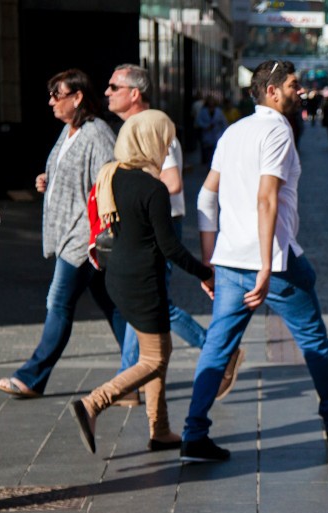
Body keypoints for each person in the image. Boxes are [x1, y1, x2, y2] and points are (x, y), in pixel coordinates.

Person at [183, 60, 328, 463]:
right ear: (272, 90)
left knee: (218, 347)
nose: (300, 91)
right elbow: (266, 197)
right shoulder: (277, 130)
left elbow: (205, 198)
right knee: (313, 340)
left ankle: (194, 433)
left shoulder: (233, 132)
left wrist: (210, 261)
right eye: (293, 85)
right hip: (275, 262)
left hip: (231, 261)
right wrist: (267, 265)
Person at [69, 110, 213, 454]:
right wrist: (205, 273)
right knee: (154, 359)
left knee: (157, 351)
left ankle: (160, 429)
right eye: (165, 140)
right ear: (150, 141)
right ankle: (93, 404)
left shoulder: (112, 174)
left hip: (116, 276)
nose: (168, 148)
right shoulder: (153, 189)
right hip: (144, 280)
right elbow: (170, 248)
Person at [104, 64, 244, 406]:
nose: (106, 92)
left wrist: (136, 195)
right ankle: (131, 384)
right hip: (140, 229)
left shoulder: (155, 129)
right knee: (136, 308)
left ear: (134, 93)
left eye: (113, 86)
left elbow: (174, 182)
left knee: (157, 307)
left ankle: (220, 350)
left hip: (160, 226)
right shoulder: (133, 129)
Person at [0, 69, 125, 399]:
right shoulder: (70, 131)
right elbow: (69, 173)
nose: (50, 102)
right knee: (114, 307)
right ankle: (136, 374)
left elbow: (104, 183)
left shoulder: (96, 133)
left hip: (82, 236)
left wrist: (98, 232)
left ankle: (31, 377)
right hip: (69, 231)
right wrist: (48, 180)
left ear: (77, 97)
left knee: (59, 302)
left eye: (57, 95)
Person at [195, 93, 228, 164]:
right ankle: (208, 166)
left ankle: (213, 165)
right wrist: (206, 126)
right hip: (207, 134)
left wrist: (224, 133)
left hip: (217, 134)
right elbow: (199, 121)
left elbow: (224, 122)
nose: (211, 102)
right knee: (208, 152)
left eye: (212, 101)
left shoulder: (218, 111)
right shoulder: (203, 111)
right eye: (210, 101)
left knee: (215, 152)